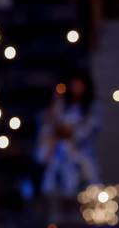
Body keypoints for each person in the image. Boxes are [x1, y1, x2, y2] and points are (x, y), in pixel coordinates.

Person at [35, 69, 103, 219]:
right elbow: (49, 127)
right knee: (55, 186)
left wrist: (71, 134)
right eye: (74, 84)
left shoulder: (92, 108)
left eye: (79, 84)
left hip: (81, 155)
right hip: (60, 157)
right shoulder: (60, 105)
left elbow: (87, 131)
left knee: (85, 186)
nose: (76, 87)